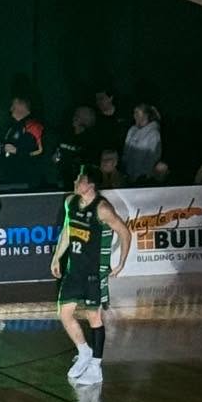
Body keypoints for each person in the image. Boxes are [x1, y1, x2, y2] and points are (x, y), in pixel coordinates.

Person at [51, 166, 133, 388]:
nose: (76, 181)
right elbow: (68, 231)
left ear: (91, 185)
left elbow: (125, 233)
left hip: (93, 273)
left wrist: (121, 263)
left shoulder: (103, 208)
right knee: (64, 313)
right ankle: (84, 351)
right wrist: (57, 257)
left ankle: (96, 367)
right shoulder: (71, 202)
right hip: (73, 269)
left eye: (81, 179)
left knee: (93, 317)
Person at [0, 94, 46, 190]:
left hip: (26, 180)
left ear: (21, 106)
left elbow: (41, 152)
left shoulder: (33, 126)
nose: (11, 109)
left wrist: (17, 151)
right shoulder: (13, 126)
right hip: (11, 176)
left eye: (13, 106)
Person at [122, 104, 163, 181]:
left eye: (138, 113)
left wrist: (145, 174)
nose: (135, 115)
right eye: (134, 113)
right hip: (128, 174)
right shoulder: (132, 130)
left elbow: (153, 156)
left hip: (142, 176)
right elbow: (126, 149)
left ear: (146, 115)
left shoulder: (153, 133)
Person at [90, 88, 128, 161]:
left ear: (110, 98)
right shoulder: (95, 119)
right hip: (103, 159)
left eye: (101, 98)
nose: (98, 102)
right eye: (97, 99)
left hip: (122, 158)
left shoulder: (123, 115)